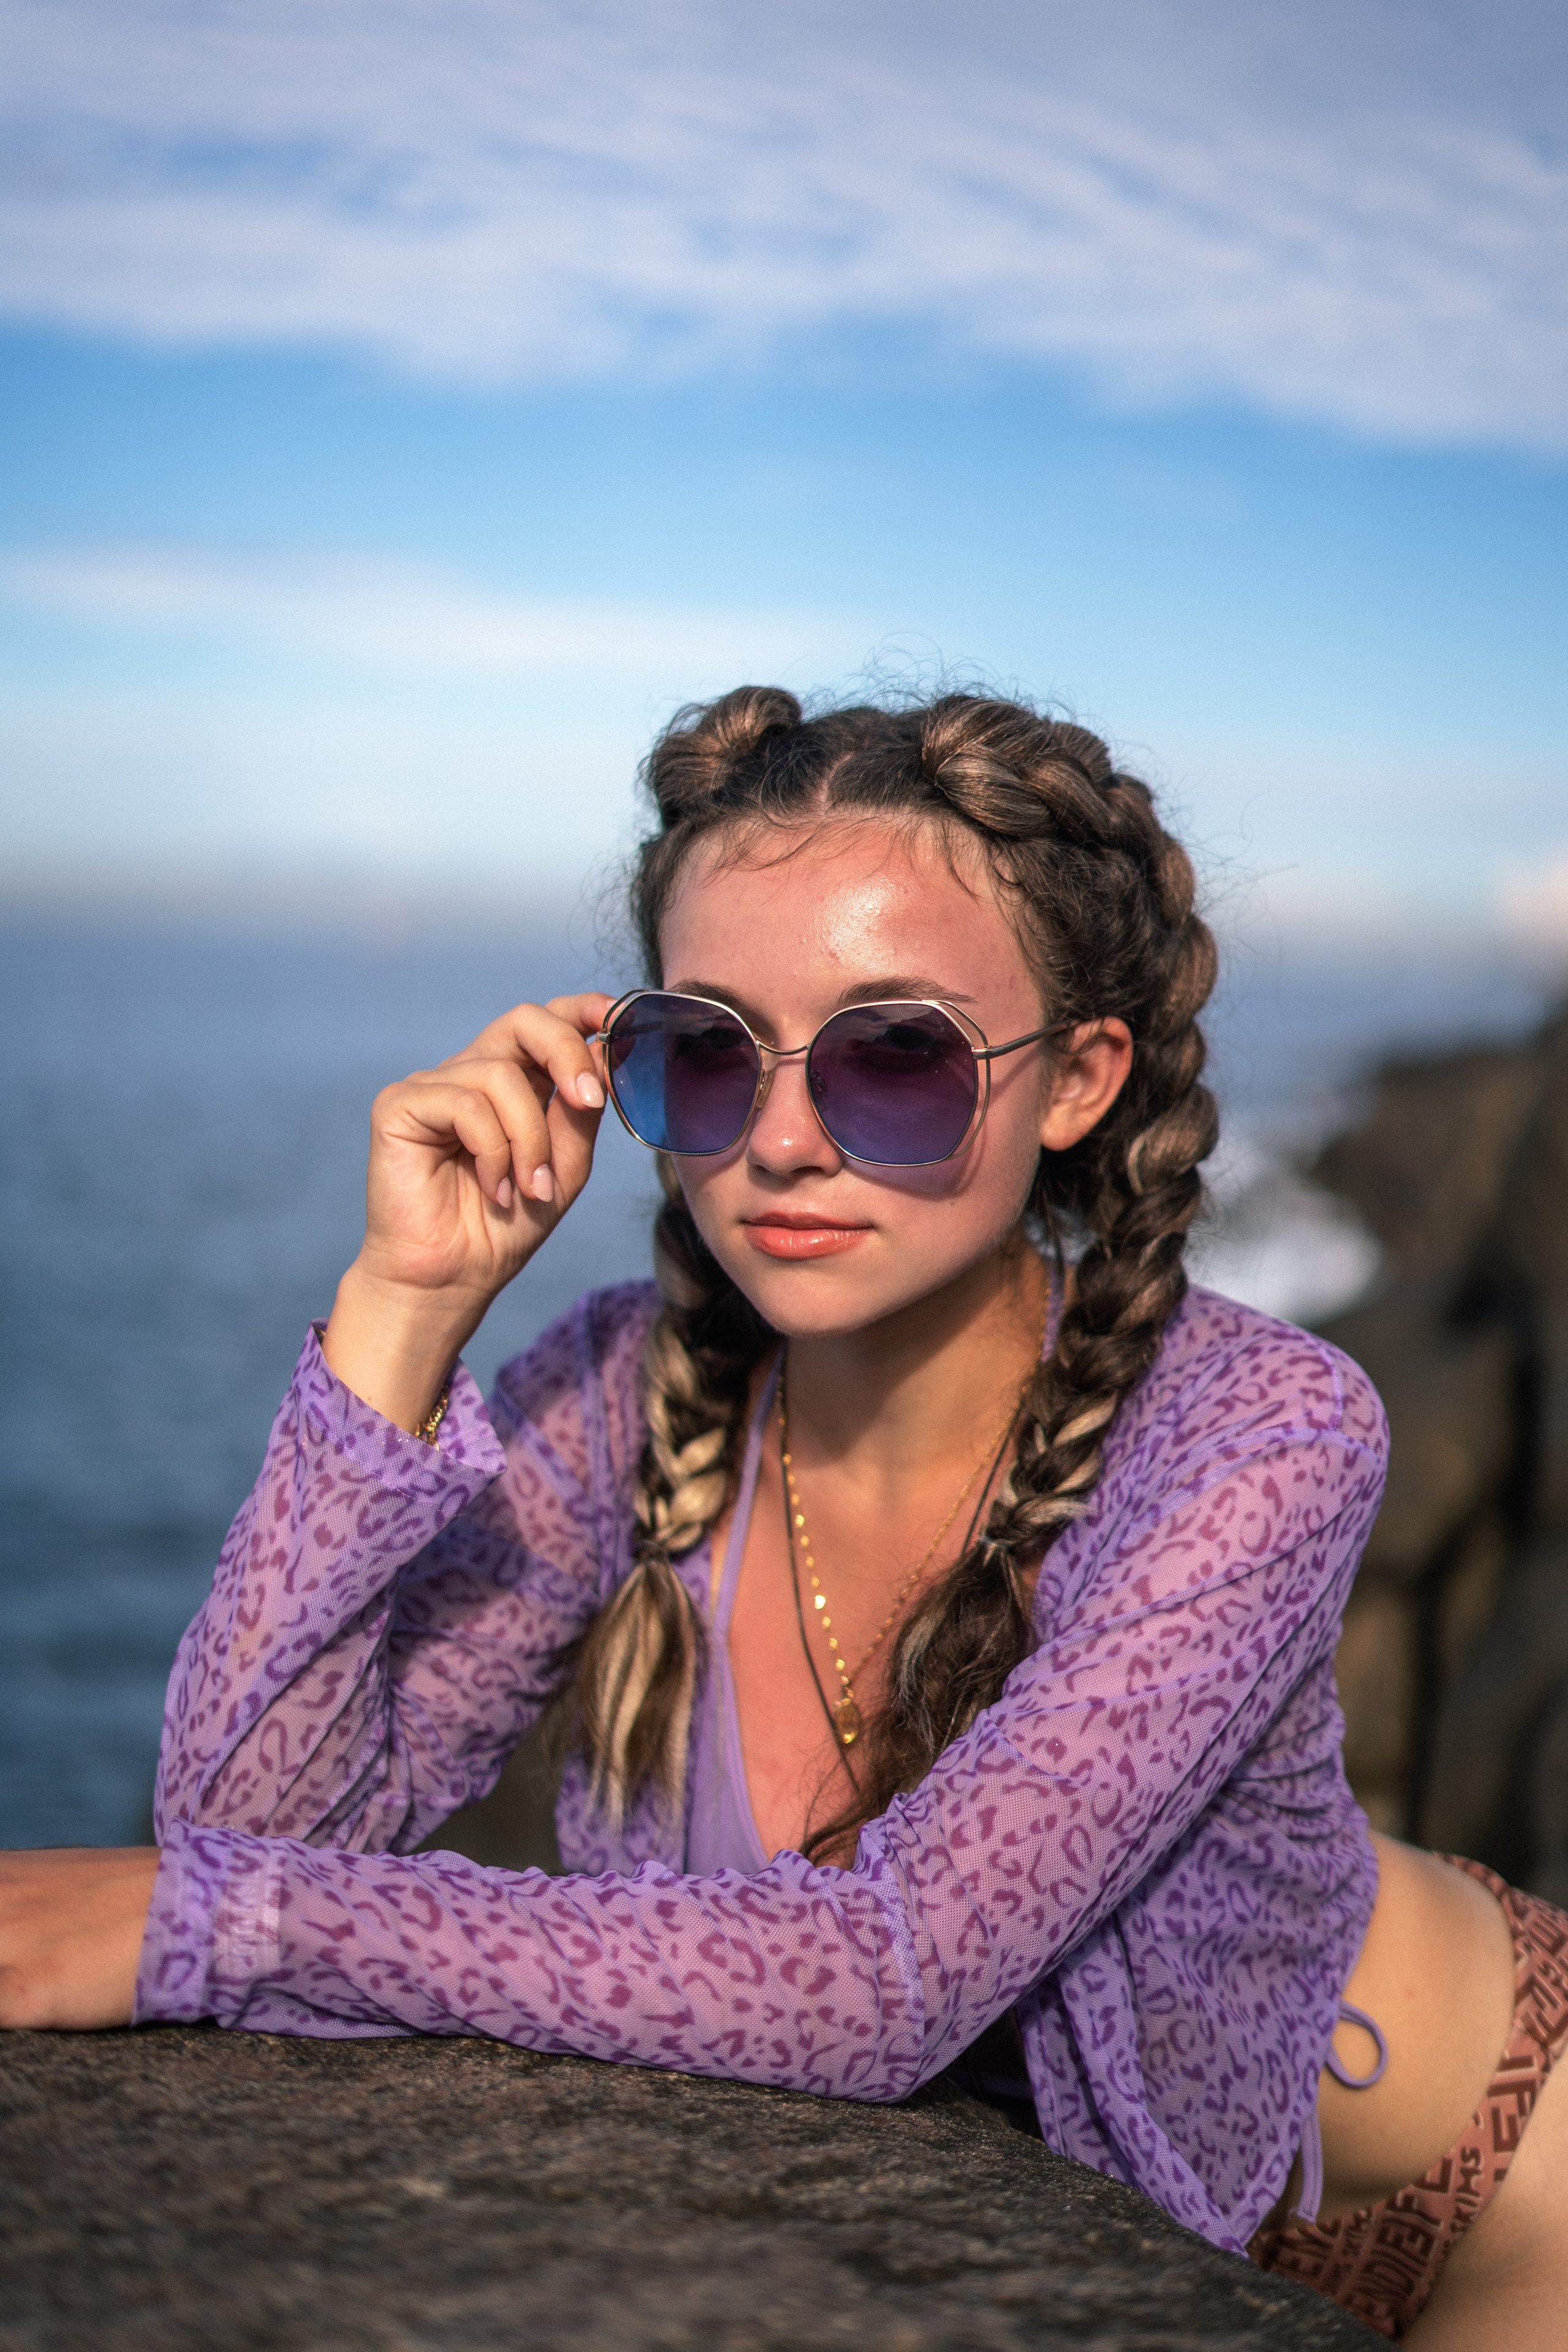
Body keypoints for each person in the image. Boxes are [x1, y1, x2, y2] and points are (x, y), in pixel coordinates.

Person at [2, 689, 1565, 2346]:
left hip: (1498, 2194)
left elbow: (892, 1975)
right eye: (709, 1053)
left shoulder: (1260, 1430)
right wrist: (404, 1308)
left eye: (895, 1056)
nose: (783, 1143)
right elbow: (249, 1823)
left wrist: (217, 1927)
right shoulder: (618, 1389)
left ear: (1077, 1079)